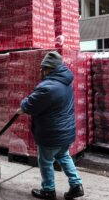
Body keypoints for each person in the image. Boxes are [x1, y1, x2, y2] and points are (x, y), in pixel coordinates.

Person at [17, 51, 84, 200]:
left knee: (45, 161)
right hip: (66, 133)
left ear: (50, 69)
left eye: (43, 68)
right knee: (64, 156)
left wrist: (23, 105)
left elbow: (30, 104)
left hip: (51, 133)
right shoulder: (66, 82)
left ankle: (48, 190)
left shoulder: (49, 87)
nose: (41, 71)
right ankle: (76, 185)